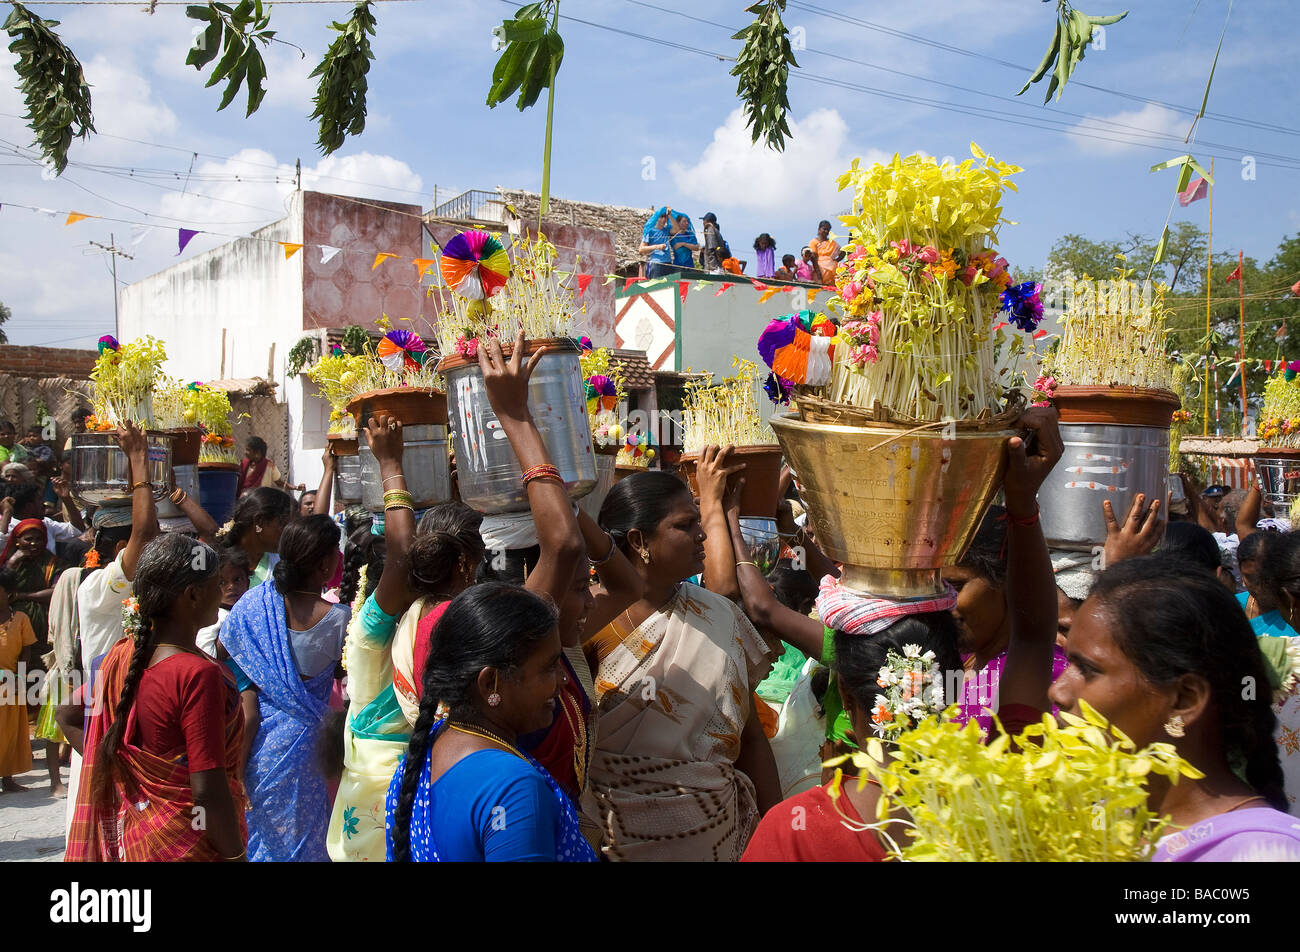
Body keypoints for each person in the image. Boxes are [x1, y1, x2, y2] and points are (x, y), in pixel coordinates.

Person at [742, 408, 1065, 861]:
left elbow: (1031, 638)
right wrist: (1022, 501)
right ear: (952, 685)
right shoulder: (1000, 785)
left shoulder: (795, 830)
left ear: (847, 696)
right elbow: (1033, 638)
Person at [585, 468, 781, 861]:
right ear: (640, 541)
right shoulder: (587, 619)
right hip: (613, 838)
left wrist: (775, 830)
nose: (702, 533)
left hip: (716, 835)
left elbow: (752, 736)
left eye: (698, 519)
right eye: (685, 524)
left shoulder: (719, 615)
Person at [1051, 555, 1300, 861]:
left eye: (1087, 669)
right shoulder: (1088, 828)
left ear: (1184, 700)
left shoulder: (1266, 853)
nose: (1057, 691)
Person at [65, 534, 248, 862]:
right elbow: (207, 789)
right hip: (194, 844)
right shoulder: (197, 674)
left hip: (140, 838)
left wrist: (129, 775)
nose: (223, 590)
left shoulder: (121, 658)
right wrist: (236, 856)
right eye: (215, 582)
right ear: (192, 595)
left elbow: (67, 715)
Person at [386, 583, 597, 862]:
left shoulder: (430, 748)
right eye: (548, 667)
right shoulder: (514, 789)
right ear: (490, 683)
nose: (564, 679)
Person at [222, 514, 350, 862]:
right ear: (326, 565)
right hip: (309, 746)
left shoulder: (252, 605)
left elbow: (225, 650)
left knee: (262, 836)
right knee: (305, 838)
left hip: (258, 744)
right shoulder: (340, 619)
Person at [325, 413, 417, 862]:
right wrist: (390, 464)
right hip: (383, 792)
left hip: (382, 784)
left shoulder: (409, 625)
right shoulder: (370, 631)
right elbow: (402, 554)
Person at [944, 505, 1069, 735]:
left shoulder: (1051, 676)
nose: (942, 602)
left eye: (956, 587)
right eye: (935, 588)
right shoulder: (948, 661)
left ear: (1007, 582)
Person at [1, 518, 70, 794]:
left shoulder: (54, 564)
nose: (32, 544)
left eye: (37, 539)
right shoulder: (10, 564)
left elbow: (56, 591)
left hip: (39, 637)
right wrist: (15, 560)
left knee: (36, 694)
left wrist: (23, 596)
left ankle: (19, 762)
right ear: (16, 541)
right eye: (26, 539)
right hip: (12, 650)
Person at [0, 570, 37, 792]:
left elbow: (27, 650)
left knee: (10, 731)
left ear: (10, 594)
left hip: (11, 684)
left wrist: (20, 676)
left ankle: (7, 778)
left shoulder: (21, 618)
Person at [215, 487, 291, 585]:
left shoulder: (281, 563)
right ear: (259, 521)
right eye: (283, 524)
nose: (288, 533)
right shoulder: (217, 564)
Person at [196, 545, 251, 659]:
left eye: (237, 580)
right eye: (221, 582)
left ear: (248, 582)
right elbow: (208, 656)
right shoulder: (216, 617)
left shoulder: (253, 610)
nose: (231, 587)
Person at [0, 482, 85, 551]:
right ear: (29, 506)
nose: (44, 503)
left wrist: (66, 499)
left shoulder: (46, 523)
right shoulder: (8, 526)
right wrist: (7, 512)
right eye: (39, 499)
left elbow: (76, 530)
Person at [239, 436, 303, 497]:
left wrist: (296, 487)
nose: (245, 452)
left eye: (248, 450)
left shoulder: (269, 466)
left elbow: (279, 483)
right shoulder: (243, 464)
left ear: (257, 453)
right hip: (244, 500)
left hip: (261, 500)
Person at [639, 207, 674, 280]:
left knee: (669, 288)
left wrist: (670, 215)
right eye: (661, 217)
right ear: (656, 218)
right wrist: (657, 247)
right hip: (656, 263)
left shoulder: (667, 230)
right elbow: (641, 249)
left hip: (668, 263)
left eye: (665, 217)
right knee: (656, 288)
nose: (664, 219)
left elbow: (677, 230)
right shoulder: (650, 231)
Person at [808, 220, 842, 285]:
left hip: (832, 272)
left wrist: (836, 260)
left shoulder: (832, 242)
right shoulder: (813, 242)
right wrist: (819, 278)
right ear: (819, 229)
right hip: (819, 271)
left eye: (828, 230)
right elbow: (813, 259)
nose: (826, 231)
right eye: (824, 229)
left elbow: (843, 252)